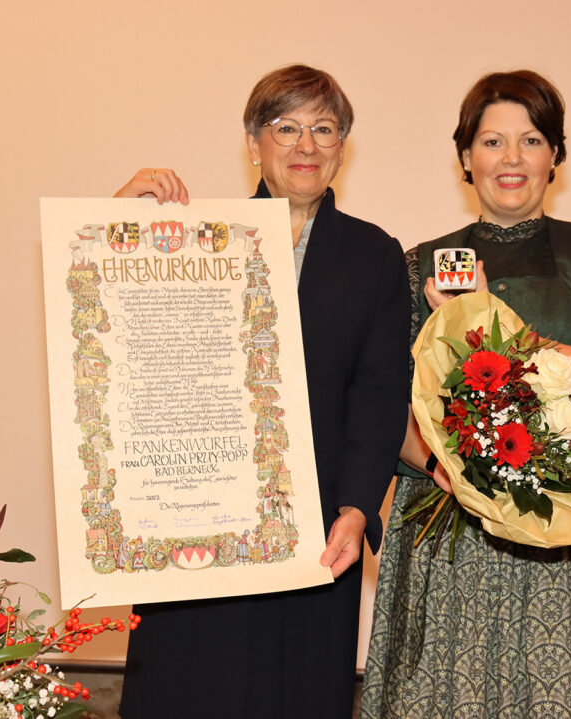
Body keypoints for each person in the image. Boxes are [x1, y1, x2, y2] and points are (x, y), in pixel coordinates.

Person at [362, 70, 571, 718]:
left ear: (555, 155)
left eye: (530, 140)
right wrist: (445, 467)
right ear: (464, 156)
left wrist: (484, 320)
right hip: (452, 533)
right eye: (492, 141)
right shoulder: (413, 265)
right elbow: (384, 401)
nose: (510, 158)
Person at [114, 65, 409, 719]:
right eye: (286, 128)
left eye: (324, 129)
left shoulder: (374, 256)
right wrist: (120, 219)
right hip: (190, 517)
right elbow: (116, 336)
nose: (306, 145)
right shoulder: (192, 237)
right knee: (184, 686)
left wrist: (357, 509)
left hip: (313, 531)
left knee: (294, 694)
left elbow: (380, 396)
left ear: (341, 146)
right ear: (254, 142)